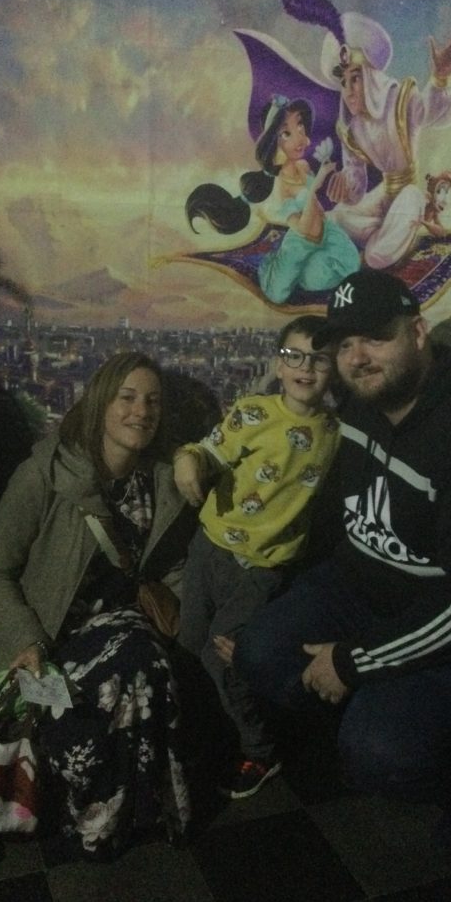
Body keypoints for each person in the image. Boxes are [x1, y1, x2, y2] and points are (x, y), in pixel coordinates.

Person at [232, 270, 451, 849]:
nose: (357, 357)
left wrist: (354, 663)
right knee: (259, 652)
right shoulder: (361, 403)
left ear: (418, 332)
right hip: (358, 587)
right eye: (345, 343)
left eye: (376, 337)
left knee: (379, 750)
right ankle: (366, 712)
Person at [0, 351, 198, 860]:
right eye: (127, 397)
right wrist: (26, 640)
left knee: (141, 662)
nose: (141, 411)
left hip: (120, 624)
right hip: (46, 633)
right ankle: (91, 815)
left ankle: (117, 819)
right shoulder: (45, 475)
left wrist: (198, 623)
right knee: (105, 689)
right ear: (100, 403)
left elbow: (170, 568)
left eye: (152, 401)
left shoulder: (160, 481)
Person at [174, 315, 340, 798]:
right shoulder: (253, 412)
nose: (305, 368)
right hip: (210, 548)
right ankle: (203, 733)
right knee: (189, 645)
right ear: (278, 363)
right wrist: (188, 461)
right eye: (294, 356)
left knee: (222, 658)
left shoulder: (337, 435)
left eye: (319, 359)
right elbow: (210, 450)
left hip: (262, 569)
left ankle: (259, 749)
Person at [281, 0, 451, 269]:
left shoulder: (401, 100)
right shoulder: (353, 129)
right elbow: (357, 186)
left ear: (372, 77)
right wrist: (344, 189)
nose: (348, 91)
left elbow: (437, 115)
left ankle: (385, 243)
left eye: (355, 79)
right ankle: (388, 235)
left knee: (376, 255)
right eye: (344, 83)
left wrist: (440, 77)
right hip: (384, 197)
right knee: (337, 219)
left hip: (409, 194)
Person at [185, 95, 360, 305]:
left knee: (348, 264)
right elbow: (305, 231)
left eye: (300, 127)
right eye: (286, 133)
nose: (299, 138)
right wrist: (315, 187)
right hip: (301, 242)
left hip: (326, 233)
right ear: (273, 142)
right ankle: (272, 263)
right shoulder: (280, 187)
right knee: (278, 293)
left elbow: (319, 213)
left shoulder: (304, 166)